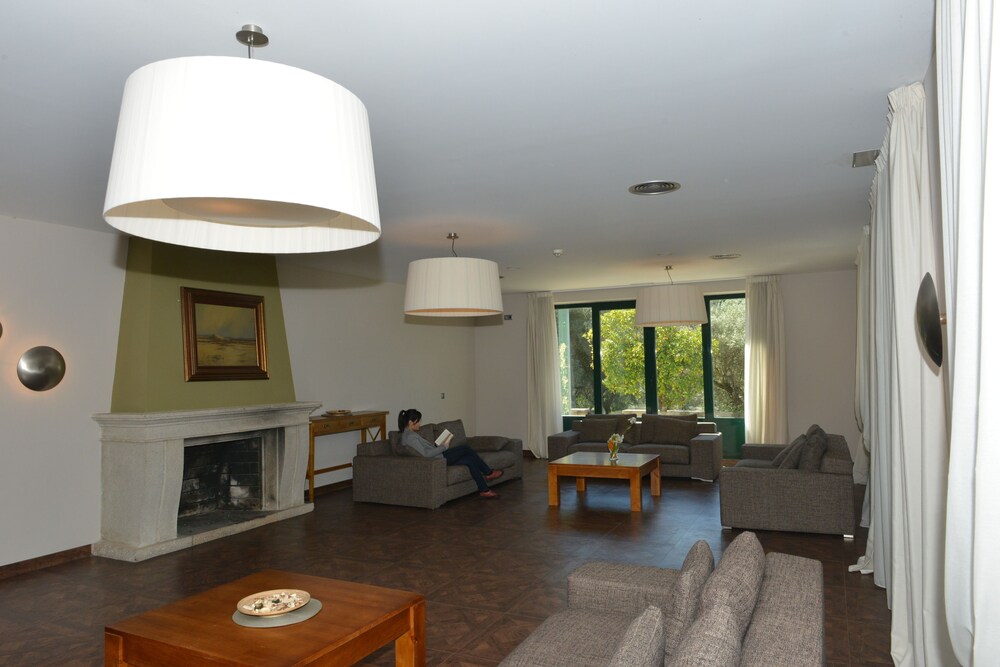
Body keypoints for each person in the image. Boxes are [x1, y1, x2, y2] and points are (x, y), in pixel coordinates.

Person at [397, 408, 503, 498]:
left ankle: (484, 490)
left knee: (470, 460)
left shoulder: (409, 434)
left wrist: (437, 446)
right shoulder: (410, 437)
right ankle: (488, 473)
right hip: (438, 459)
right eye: (418, 421)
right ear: (410, 422)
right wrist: (444, 447)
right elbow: (426, 454)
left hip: (438, 456)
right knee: (465, 448)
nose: (419, 424)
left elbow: (424, 450)